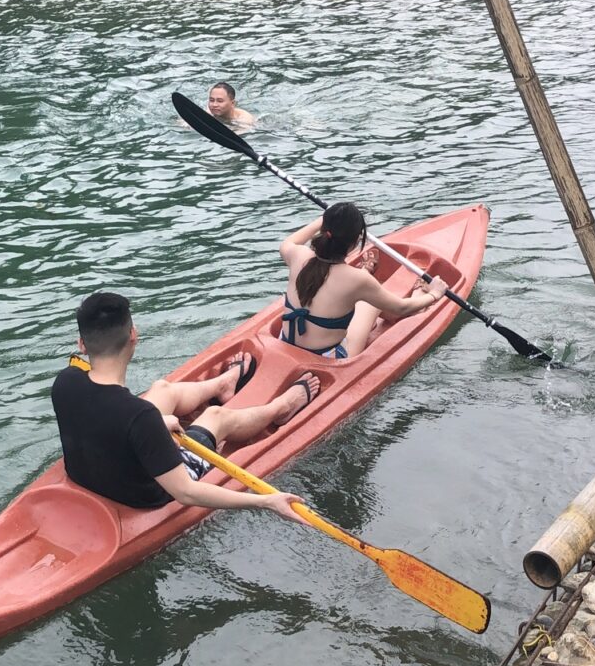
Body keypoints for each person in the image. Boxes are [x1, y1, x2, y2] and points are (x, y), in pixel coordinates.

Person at [52, 291, 319, 520]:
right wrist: (266, 501)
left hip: (98, 472)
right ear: (134, 336)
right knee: (215, 416)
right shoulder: (139, 416)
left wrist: (155, 424)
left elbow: (108, 410)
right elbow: (185, 493)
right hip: (148, 493)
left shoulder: (65, 381)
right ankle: (281, 408)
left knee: (162, 390)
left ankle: (225, 382)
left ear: (81, 345)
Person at [279, 203, 448, 360]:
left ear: (324, 231)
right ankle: (418, 303)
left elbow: (289, 242)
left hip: (286, 342)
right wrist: (435, 294)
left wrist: (323, 219)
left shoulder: (298, 255)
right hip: (327, 357)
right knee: (372, 303)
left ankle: (366, 270)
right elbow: (401, 307)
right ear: (354, 243)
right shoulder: (357, 280)